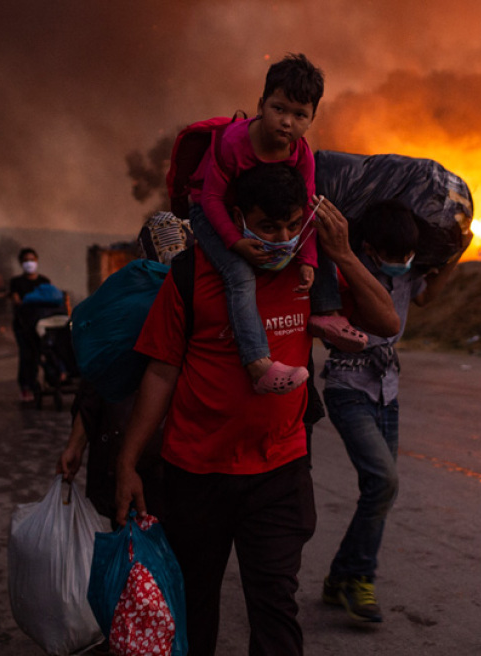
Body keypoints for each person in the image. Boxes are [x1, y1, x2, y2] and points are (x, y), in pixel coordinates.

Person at [114, 163, 400, 656]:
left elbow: (385, 321)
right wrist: (127, 463)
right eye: (268, 227)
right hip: (194, 471)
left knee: (274, 605)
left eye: (293, 225)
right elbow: (161, 372)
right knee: (194, 605)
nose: (283, 238)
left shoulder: (310, 271)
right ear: (237, 219)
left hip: (279, 471)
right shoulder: (192, 273)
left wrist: (343, 253)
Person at [189, 53, 366, 396]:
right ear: (261, 104)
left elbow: (308, 210)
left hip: (261, 212)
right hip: (213, 210)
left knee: (324, 219)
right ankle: (258, 365)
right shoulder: (233, 143)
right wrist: (235, 243)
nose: (287, 122)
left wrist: (308, 261)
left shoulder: (301, 155)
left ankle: (326, 313)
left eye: (299, 115)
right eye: (279, 109)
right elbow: (211, 199)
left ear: (312, 119)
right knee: (239, 276)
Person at [319, 199, 459, 623]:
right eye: (392, 257)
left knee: (378, 490)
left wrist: (456, 254)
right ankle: (358, 577)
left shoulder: (408, 267)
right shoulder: (348, 272)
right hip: (347, 386)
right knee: (384, 481)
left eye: (406, 257)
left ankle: (343, 577)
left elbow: (426, 298)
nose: (400, 264)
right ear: (368, 247)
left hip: (387, 389)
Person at [57, 212, 193, 523]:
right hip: (175, 452)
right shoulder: (199, 295)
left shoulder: (120, 297)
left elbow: (95, 378)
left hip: (123, 445)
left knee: (128, 548)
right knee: (172, 552)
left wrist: (75, 444)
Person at [9, 248, 51, 402]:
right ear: (21, 263)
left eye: (32, 260)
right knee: (27, 355)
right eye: (26, 260)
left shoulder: (44, 281)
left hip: (41, 324)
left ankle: (39, 383)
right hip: (23, 324)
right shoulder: (16, 282)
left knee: (40, 354)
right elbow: (16, 300)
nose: (29, 263)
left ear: (37, 261)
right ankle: (26, 386)